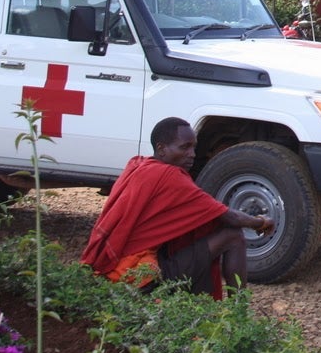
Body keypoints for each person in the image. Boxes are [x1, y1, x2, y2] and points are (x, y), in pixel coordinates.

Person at [81, 117, 275, 300]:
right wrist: (261, 222)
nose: (192, 154)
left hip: (113, 269)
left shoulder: (138, 165)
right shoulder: (170, 176)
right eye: (184, 147)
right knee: (232, 236)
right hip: (139, 275)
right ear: (161, 149)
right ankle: (239, 310)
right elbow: (229, 217)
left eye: (193, 147)